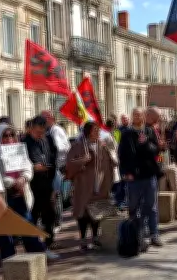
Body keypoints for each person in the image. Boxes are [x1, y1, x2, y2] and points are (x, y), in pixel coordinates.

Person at [0, 123, 44, 257]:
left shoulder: (19, 149)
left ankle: (36, 252)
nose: (9, 138)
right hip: (4, 195)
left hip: (20, 192)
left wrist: (23, 179)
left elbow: (28, 166)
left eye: (11, 135)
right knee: (4, 227)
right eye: (5, 135)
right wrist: (12, 182)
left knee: (26, 222)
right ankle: (8, 256)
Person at [66, 121, 117, 250]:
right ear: (88, 131)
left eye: (98, 130)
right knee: (83, 213)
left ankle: (95, 237)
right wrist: (83, 160)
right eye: (95, 130)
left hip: (99, 184)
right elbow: (69, 165)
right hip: (83, 185)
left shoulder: (102, 145)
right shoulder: (78, 146)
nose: (98, 132)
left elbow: (111, 162)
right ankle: (83, 239)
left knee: (97, 211)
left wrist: (112, 156)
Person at [119, 107, 163, 246]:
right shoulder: (126, 133)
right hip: (134, 177)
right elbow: (122, 155)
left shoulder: (149, 131)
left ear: (143, 116)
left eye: (139, 115)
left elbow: (156, 150)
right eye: (135, 115)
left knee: (151, 206)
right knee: (134, 207)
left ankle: (154, 234)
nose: (137, 117)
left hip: (148, 174)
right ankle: (138, 235)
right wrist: (125, 173)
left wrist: (146, 144)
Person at [25, 115, 60, 258]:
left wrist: (52, 181)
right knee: (32, 215)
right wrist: (35, 168)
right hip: (32, 184)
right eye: (37, 132)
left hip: (47, 183)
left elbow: (53, 159)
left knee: (50, 214)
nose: (40, 135)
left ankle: (49, 241)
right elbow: (27, 164)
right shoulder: (25, 142)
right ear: (31, 129)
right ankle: (34, 246)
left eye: (42, 132)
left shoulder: (48, 140)